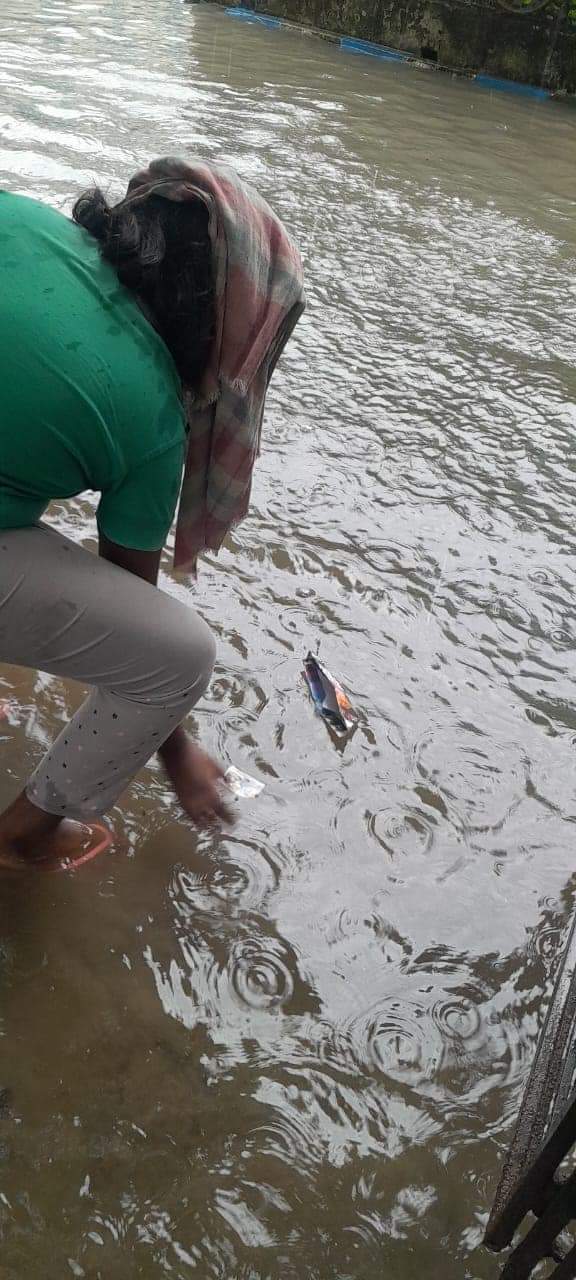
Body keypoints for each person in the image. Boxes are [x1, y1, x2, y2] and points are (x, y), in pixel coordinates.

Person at [0, 157, 305, 869]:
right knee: (179, 657)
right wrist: (178, 753)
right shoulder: (156, 414)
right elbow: (132, 638)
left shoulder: (25, 221)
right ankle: (22, 837)